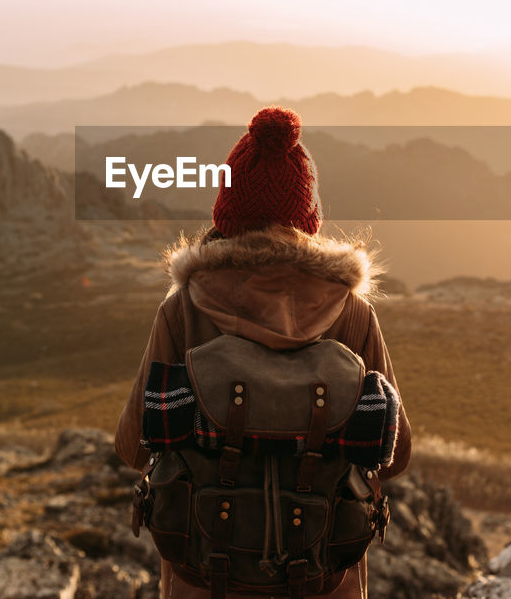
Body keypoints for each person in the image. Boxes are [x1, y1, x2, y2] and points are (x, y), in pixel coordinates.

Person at [114, 106, 412, 599]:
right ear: (308, 217)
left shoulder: (183, 308)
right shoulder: (353, 312)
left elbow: (133, 448)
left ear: (225, 212)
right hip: (323, 575)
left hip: (204, 573)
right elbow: (395, 455)